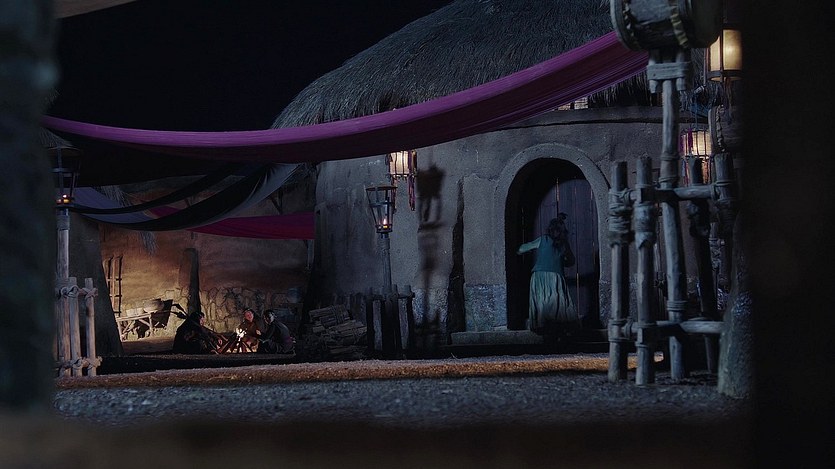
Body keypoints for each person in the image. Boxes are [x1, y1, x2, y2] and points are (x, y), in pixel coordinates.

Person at [517, 214, 578, 333]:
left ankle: (544, 327)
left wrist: (524, 252)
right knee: (556, 303)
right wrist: (560, 261)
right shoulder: (564, 244)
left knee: (542, 302)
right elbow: (571, 261)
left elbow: (521, 249)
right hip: (555, 277)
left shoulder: (543, 240)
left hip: (539, 276)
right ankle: (557, 329)